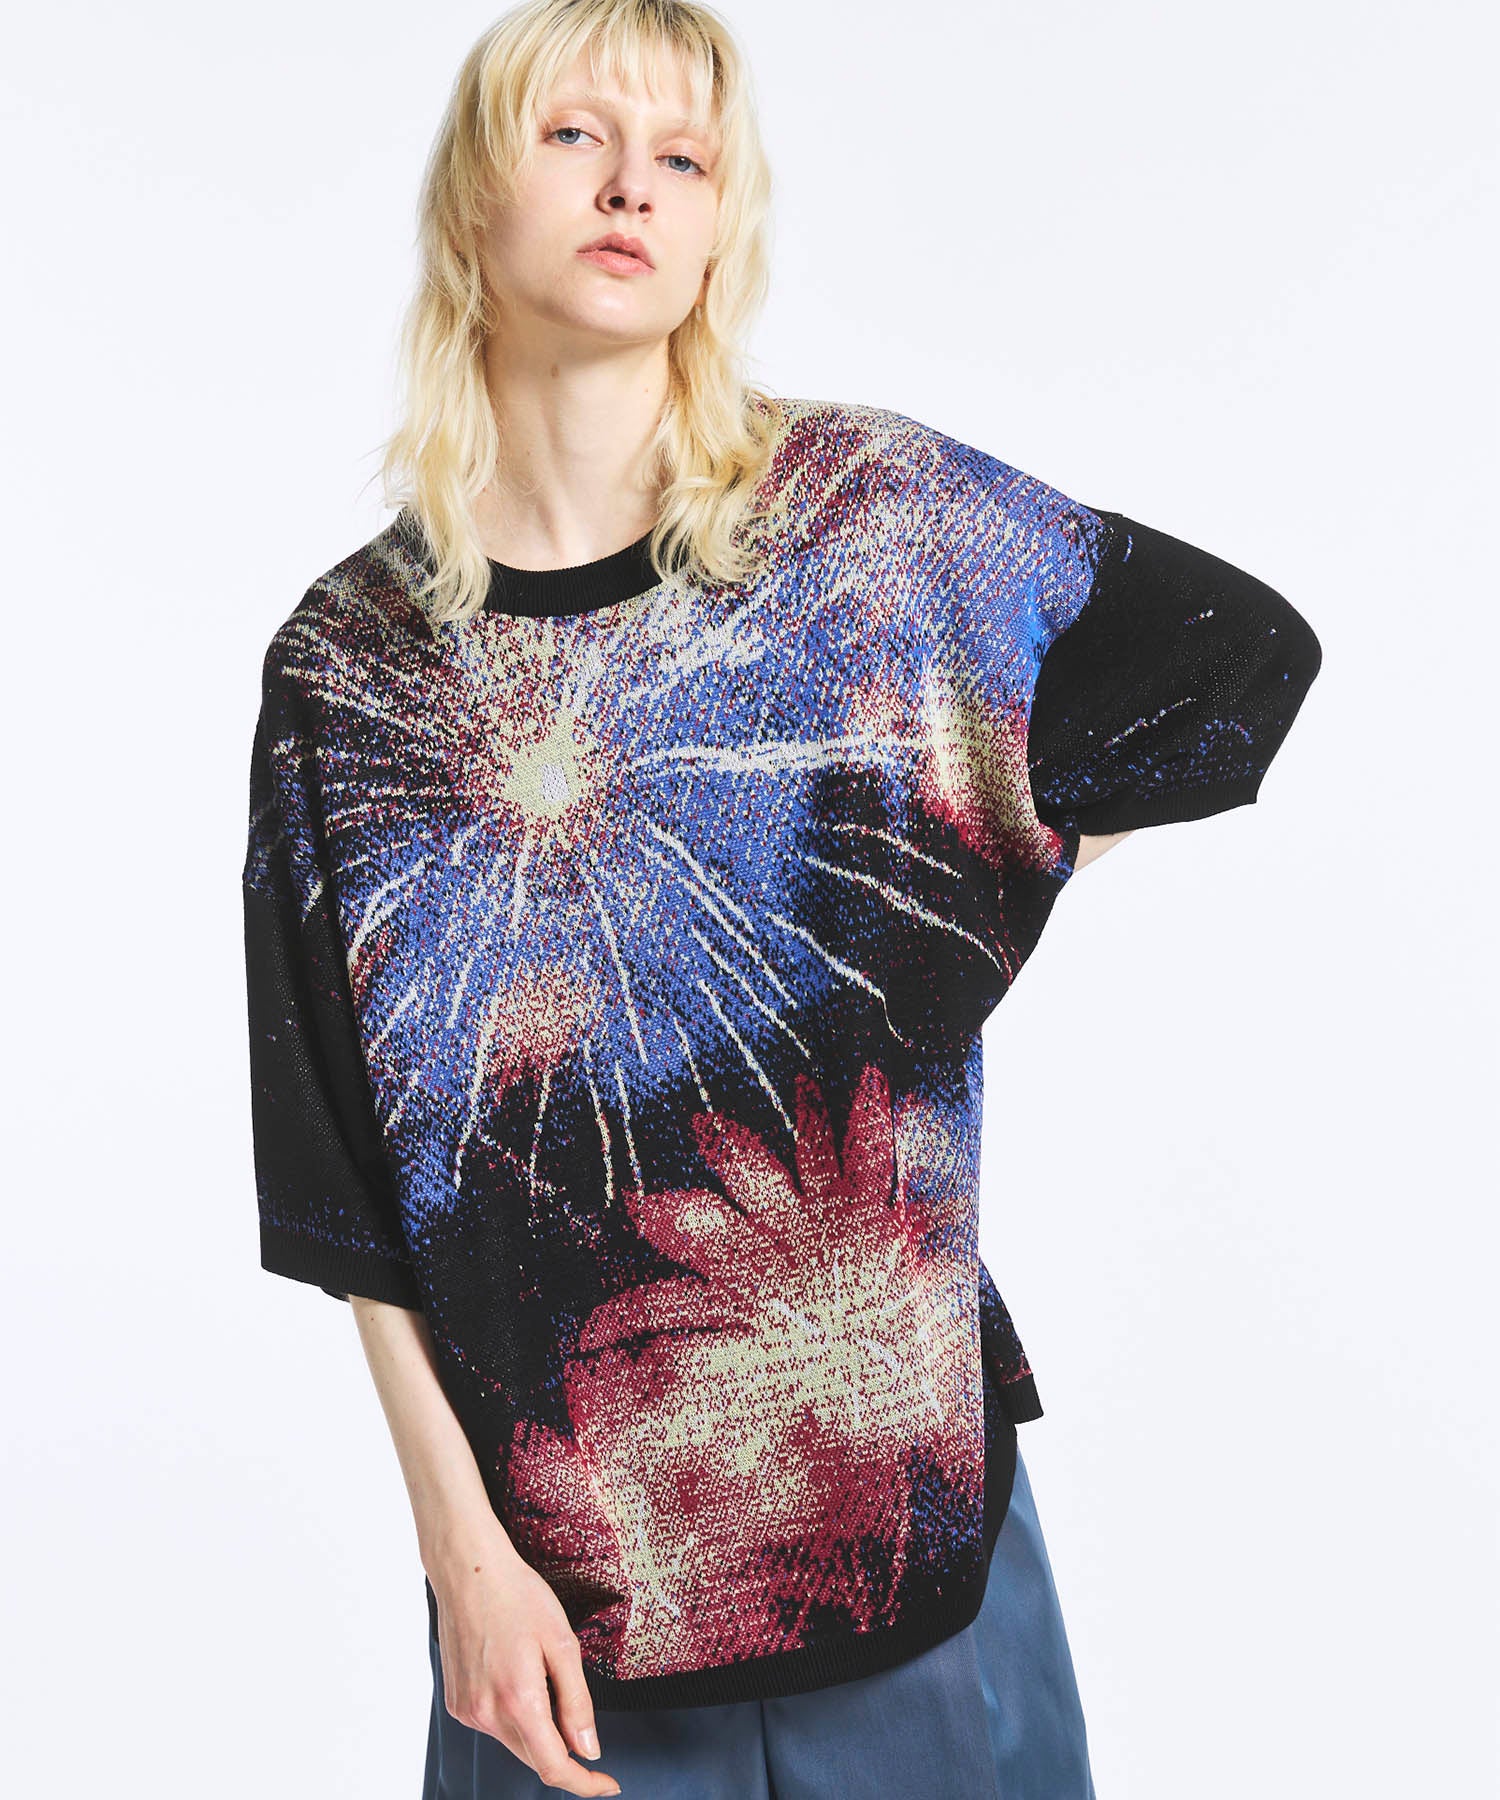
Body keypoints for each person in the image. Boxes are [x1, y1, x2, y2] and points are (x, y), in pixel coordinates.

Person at [238, 2, 1322, 1795]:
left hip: (905, 1524)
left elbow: (1232, 655)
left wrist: (947, 906)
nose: (633, 188)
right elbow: (343, 1176)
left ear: (717, 230)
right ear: (474, 195)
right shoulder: (352, 666)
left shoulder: (865, 519)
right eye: (577, 136)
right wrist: (460, 1557)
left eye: (684, 158)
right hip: (554, 1612)